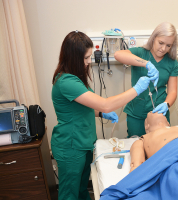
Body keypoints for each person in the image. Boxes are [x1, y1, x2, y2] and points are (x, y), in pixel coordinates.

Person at [51, 30, 153, 200]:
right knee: (69, 195)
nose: (88, 62)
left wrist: (100, 114)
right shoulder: (66, 82)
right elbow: (105, 104)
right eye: (85, 58)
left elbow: (83, 106)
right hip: (71, 146)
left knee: (82, 190)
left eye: (89, 57)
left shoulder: (76, 78)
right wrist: (136, 89)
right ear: (73, 57)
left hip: (83, 143)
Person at [114, 22, 178, 137]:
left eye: (168, 45)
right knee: (137, 147)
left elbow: (173, 91)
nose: (163, 48)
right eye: (161, 43)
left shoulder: (172, 63)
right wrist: (145, 63)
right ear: (153, 38)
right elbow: (118, 55)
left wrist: (166, 104)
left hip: (159, 115)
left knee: (159, 146)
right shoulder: (140, 53)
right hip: (136, 114)